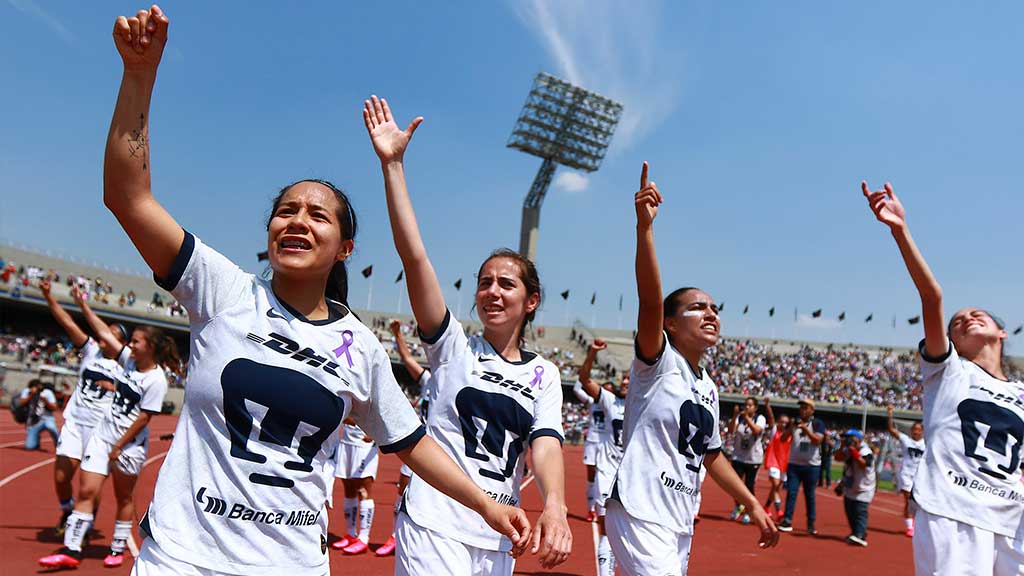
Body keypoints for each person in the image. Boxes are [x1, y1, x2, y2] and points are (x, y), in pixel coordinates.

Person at [69, 8, 530, 575]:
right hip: (182, 559)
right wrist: (139, 74)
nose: (297, 221)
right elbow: (128, 197)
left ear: (344, 249)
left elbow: (412, 443)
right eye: (286, 211)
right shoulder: (223, 292)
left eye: (317, 215)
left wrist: (487, 506)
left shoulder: (359, 347)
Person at [365, 94, 570, 574]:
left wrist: (555, 504)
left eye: (506, 283)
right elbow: (415, 258)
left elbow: (545, 445)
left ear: (531, 300)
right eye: (484, 282)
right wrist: (393, 165)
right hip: (434, 524)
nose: (492, 291)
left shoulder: (544, 375)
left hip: (500, 532)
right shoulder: (452, 346)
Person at [605, 162, 778, 575]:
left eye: (715, 308)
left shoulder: (709, 388)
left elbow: (712, 454)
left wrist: (751, 502)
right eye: (697, 307)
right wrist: (644, 229)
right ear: (669, 322)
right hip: (640, 510)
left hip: (679, 518)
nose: (711, 313)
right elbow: (650, 299)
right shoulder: (658, 363)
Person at [862, 180, 1024, 575]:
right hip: (955, 510)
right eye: (957, 321)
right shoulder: (948, 370)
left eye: (977, 314)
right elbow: (932, 297)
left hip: (1012, 519)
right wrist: (900, 229)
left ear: (1002, 333)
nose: (966, 317)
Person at [40, 315, 177, 569]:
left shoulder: (156, 379)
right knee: (86, 491)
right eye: (131, 341)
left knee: (123, 497)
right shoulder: (127, 361)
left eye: (136, 342)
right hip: (102, 439)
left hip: (129, 447)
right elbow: (103, 334)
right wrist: (82, 307)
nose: (131, 346)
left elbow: (144, 418)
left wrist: (118, 445)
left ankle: (116, 547)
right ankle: (71, 549)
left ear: (150, 347)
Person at [39, 279, 129, 536]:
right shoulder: (91, 351)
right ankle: (68, 511)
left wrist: (117, 389)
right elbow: (67, 322)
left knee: (90, 486)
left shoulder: (125, 365)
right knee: (60, 478)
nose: (103, 336)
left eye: (111, 334)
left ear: (120, 342)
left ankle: (85, 523)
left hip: (101, 431)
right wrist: (49, 297)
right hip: (76, 424)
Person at [371, 318, 436, 557]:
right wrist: (398, 333)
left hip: (443, 451)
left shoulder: (457, 383)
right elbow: (408, 359)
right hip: (420, 447)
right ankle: (395, 536)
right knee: (402, 491)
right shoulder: (429, 380)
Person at [577, 338, 628, 576]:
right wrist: (592, 353)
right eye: (623, 379)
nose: (626, 382)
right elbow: (585, 380)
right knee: (606, 525)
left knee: (631, 529)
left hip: (634, 476)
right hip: (609, 472)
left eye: (630, 378)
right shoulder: (611, 401)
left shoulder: (646, 404)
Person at [329, 420, 379, 555]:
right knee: (348, 488)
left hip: (364, 444)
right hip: (346, 443)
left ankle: (363, 538)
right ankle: (351, 534)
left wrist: (376, 433)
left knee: (363, 490)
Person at [777, 398, 825, 534]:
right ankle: (787, 519)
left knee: (809, 495)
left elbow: (818, 440)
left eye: (806, 408)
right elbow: (782, 439)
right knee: (791, 493)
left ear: (812, 410)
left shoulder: (817, 424)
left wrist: (806, 429)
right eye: (801, 407)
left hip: (812, 465)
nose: (803, 410)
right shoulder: (795, 423)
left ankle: (811, 523)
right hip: (794, 464)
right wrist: (791, 427)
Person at [886, 405, 925, 537]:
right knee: (908, 500)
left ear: (922, 432)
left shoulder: (927, 442)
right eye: (914, 430)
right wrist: (890, 414)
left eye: (919, 430)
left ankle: (918, 524)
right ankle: (910, 527)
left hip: (921, 476)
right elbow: (891, 429)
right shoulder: (905, 439)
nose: (916, 432)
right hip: (907, 474)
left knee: (919, 502)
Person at [727, 397, 766, 524]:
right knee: (735, 485)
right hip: (738, 456)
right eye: (746, 405)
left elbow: (756, 430)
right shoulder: (740, 418)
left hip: (753, 458)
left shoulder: (760, 418)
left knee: (749, 486)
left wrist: (747, 418)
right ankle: (738, 506)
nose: (747, 407)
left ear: (755, 407)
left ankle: (749, 511)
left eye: (750, 405)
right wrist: (734, 415)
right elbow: (731, 430)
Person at [834, 429, 875, 547]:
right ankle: (856, 533)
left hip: (864, 487)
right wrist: (842, 446)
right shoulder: (846, 450)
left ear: (859, 440)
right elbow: (838, 457)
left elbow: (863, 464)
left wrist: (853, 451)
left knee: (860, 512)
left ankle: (860, 535)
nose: (849, 440)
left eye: (851, 437)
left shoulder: (866, 451)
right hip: (851, 485)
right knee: (850, 511)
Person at [762, 398, 791, 522]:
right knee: (775, 485)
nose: (783, 424)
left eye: (786, 422)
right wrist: (768, 406)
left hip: (783, 464)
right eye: (782, 422)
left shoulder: (790, 434)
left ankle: (767, 507)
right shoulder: (775, 431)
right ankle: (779, 510)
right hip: (773, 461)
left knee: (776, 489)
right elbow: (771, 418)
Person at [20, 378, 59, 450]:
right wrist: (31, 395)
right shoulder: (27, 391)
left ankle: (59, 445)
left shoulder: (47, 392)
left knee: (52, 428)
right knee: (29, 447)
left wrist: (45, 400)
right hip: (33, 420)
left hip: (47, 418)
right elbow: (21, 403)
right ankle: (36, 441)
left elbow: (54, 407)